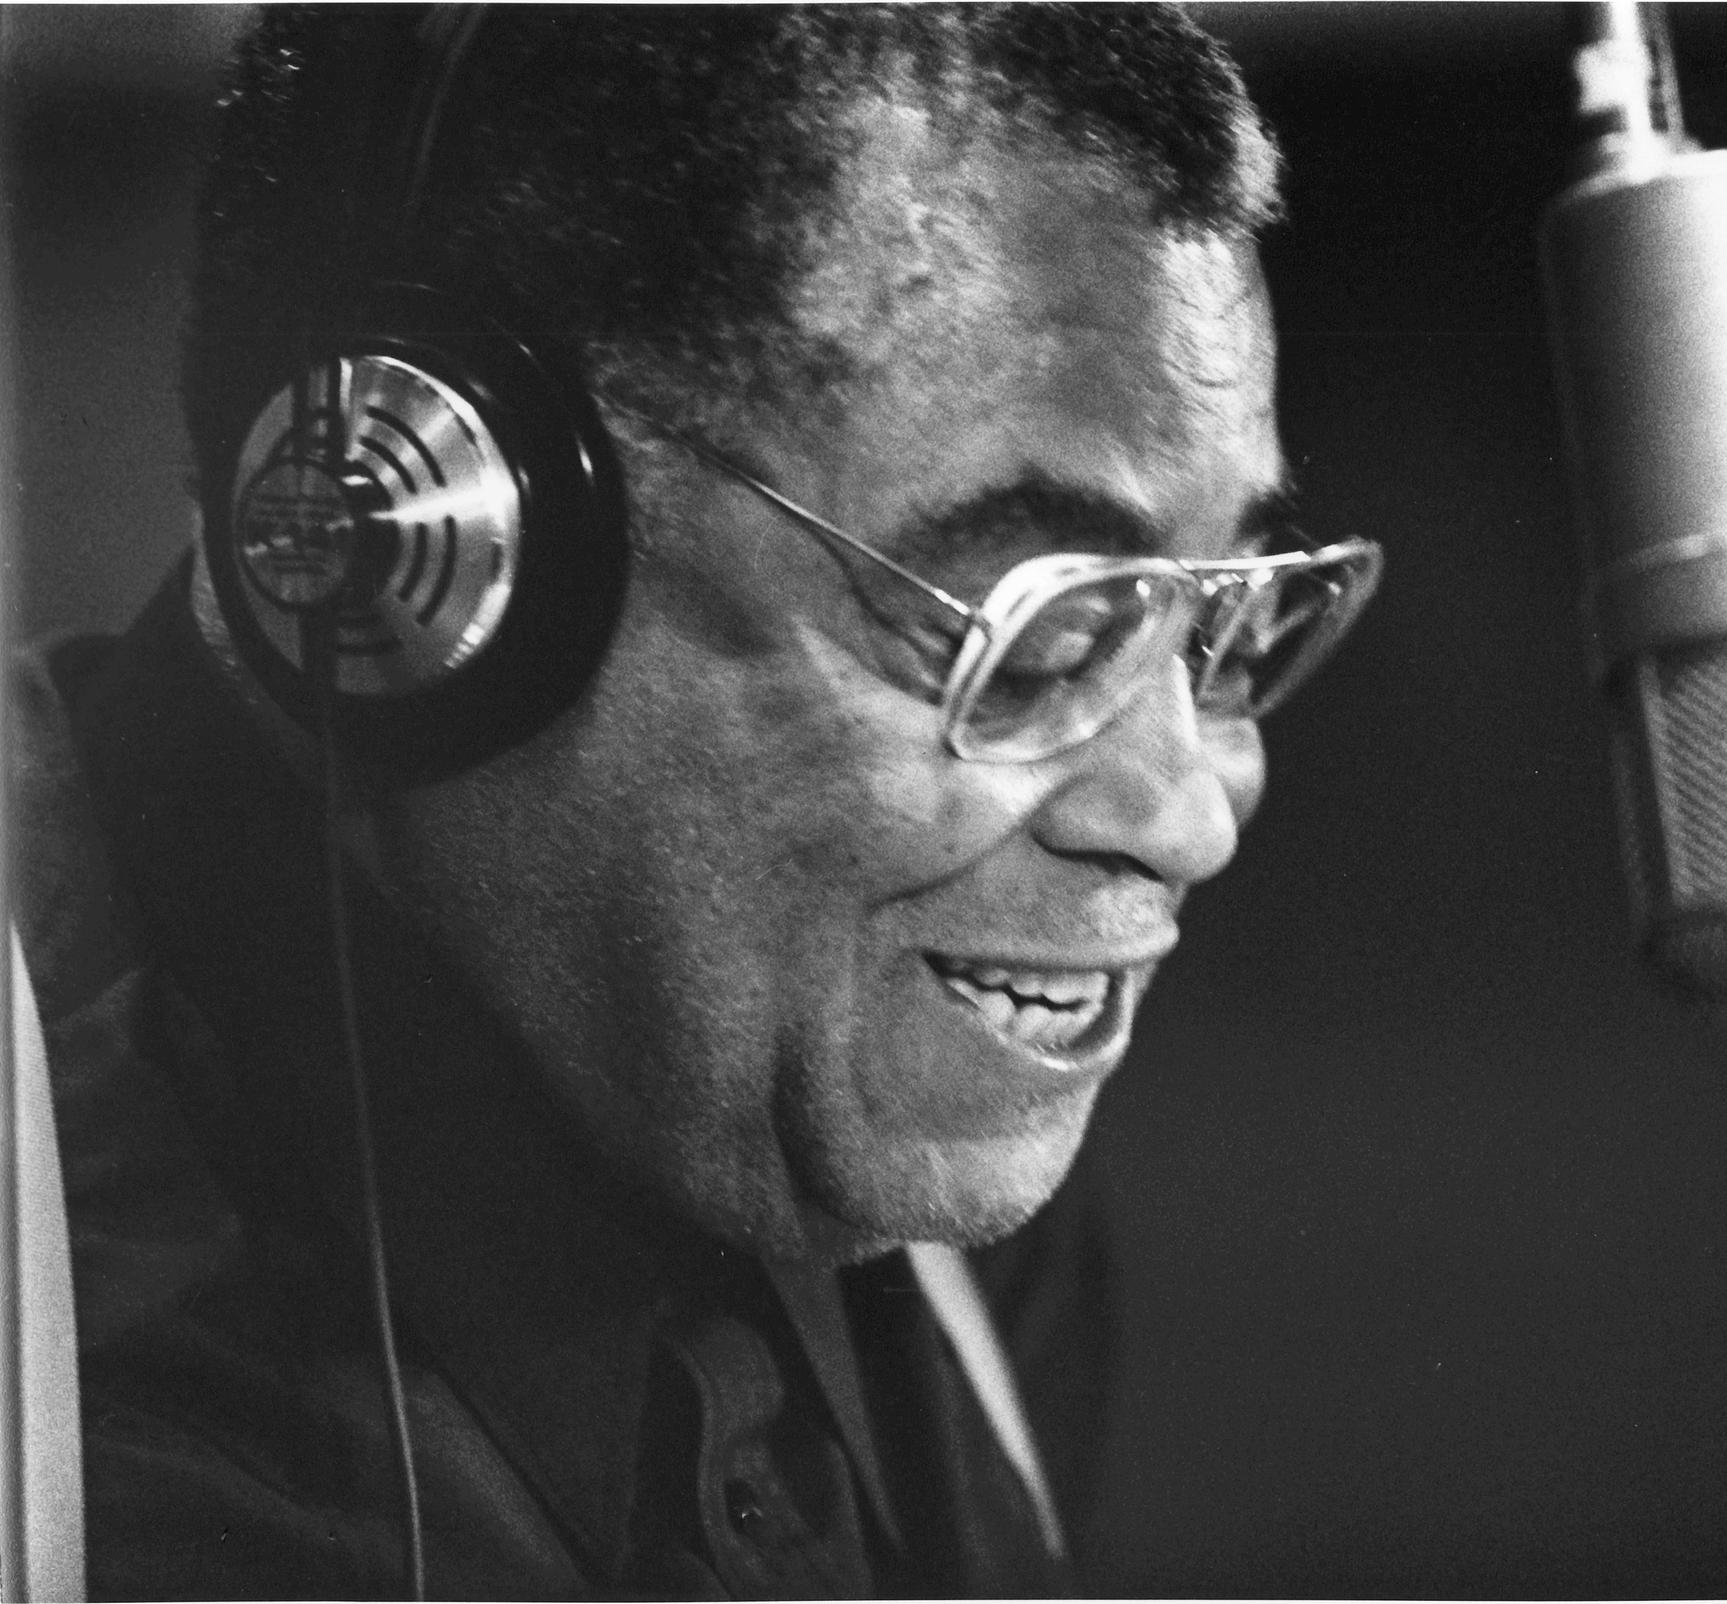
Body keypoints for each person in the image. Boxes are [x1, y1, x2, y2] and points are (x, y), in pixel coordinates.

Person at [9, 5, 1379, 1596]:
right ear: (438, 551)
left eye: (1214, 626)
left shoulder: (958, 1226)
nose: (1188, 813)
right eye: (1036, 629)